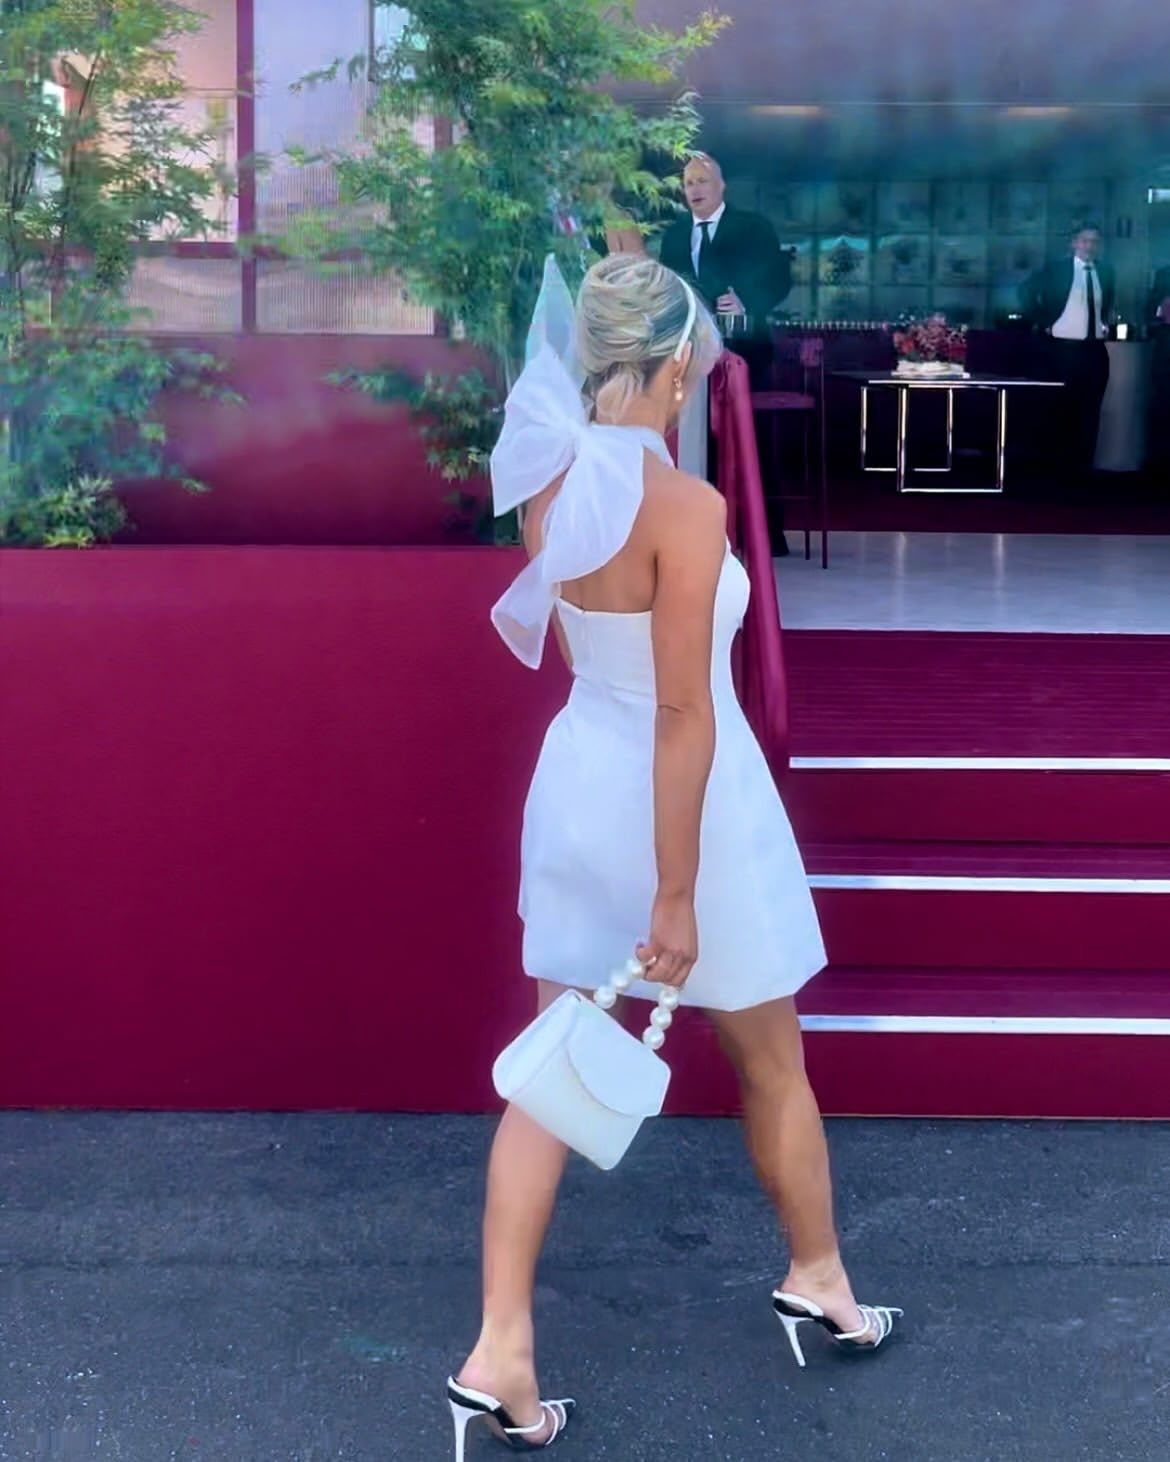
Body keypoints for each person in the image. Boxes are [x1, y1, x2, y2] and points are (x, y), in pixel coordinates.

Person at [446, 253, 901, 1457]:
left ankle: (499, 1347)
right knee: (772, 1061)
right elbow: (688, 709)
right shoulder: (687, 507)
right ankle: (819, 1275)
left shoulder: (548, 484)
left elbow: (588, 658)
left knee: (550, 1073)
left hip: (578, 784)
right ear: (683, 362)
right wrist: (678, 892)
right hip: (694, 808)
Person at [1022, 223, 1115, 482]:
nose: (1090, 246)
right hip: (1063, 348)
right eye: (1085, 241)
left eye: (1094, 241)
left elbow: (1107, 302)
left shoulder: (1106, 271)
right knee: (1061, 408)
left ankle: (1083, 468)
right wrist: (1044, 322)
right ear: (1074, 243)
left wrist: (1104, 324)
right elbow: (1025, 292)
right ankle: (1057, 469)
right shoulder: (1057, 270)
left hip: (1094, 348)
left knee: (1091, 409)